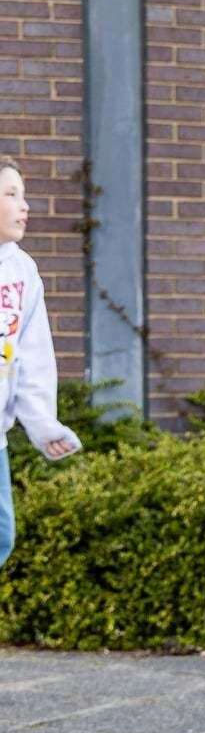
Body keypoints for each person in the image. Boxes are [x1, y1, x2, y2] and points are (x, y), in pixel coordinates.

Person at [0, 155, 82, 568]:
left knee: (1, 536)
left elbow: (31, 357)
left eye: (23, 195)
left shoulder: (21, 271)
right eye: (11, 194)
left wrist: (41, 423)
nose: (24, 206)